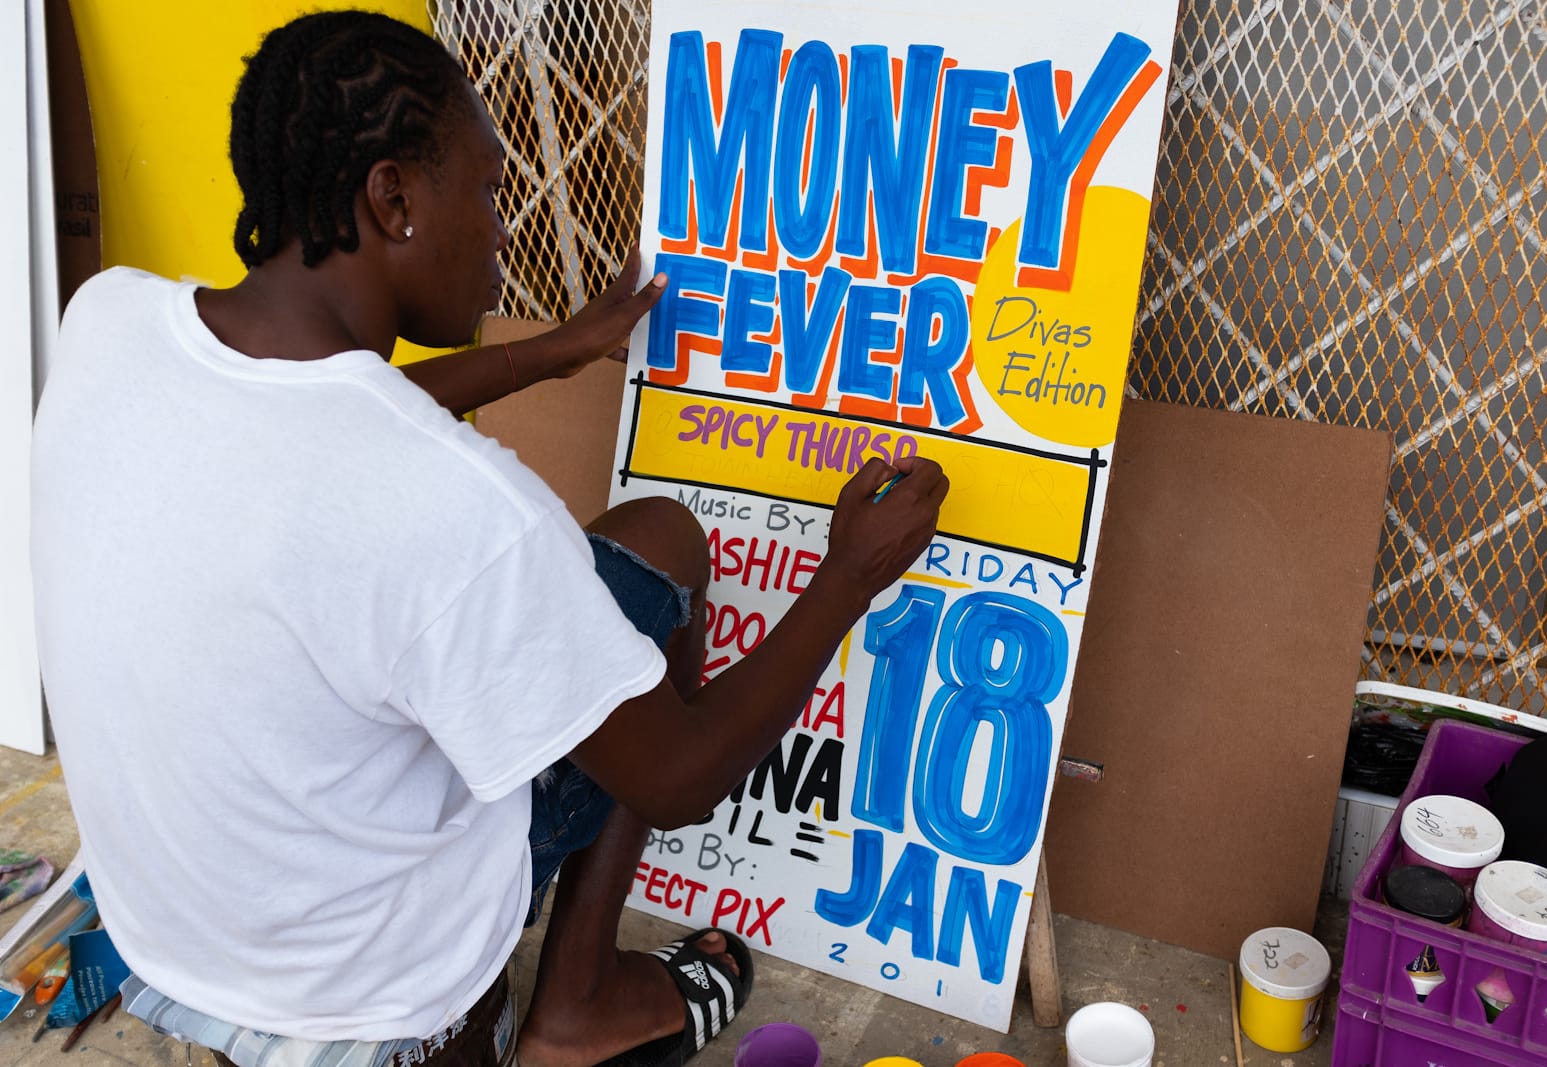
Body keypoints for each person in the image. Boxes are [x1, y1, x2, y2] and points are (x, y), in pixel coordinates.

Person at [30, 10, 947, 1067]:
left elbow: (315, 420)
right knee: (660, 563)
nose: (504, 226)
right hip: (373, 1008)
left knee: (616, 560)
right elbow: (679, 774)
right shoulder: (456, 508)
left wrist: (548, 355)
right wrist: (849, 572)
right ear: (392, 198)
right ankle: (575, 1005)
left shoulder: (111, 320)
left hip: (175, 942)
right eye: (488, 189)